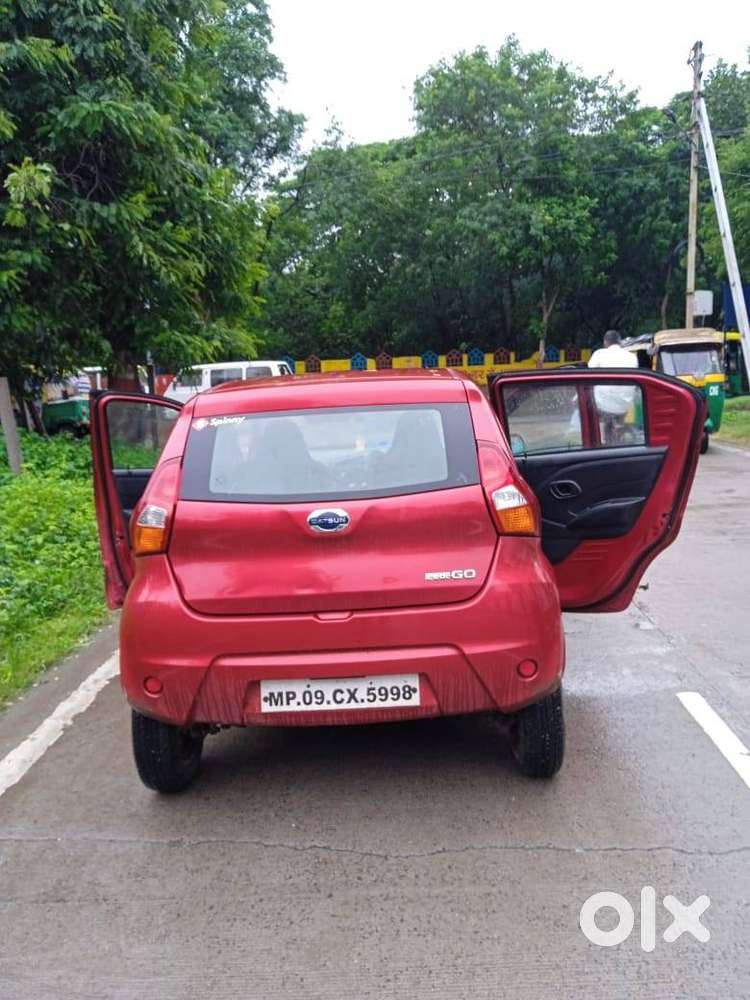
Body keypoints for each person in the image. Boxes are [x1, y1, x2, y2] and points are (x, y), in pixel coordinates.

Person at [588, 330, 639, 444]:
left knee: (592, 401)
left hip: (603, 405)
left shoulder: (599, 354)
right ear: (619, 342)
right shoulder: (631, 356)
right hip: (625, 404)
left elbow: (588, 375)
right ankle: (619, 429)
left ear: (605, 342)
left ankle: (600, 438)